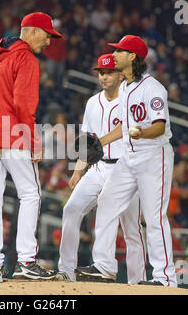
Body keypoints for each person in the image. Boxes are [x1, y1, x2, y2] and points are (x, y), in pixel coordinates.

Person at [76, 35, 177, 287]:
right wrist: (101, 142)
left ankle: (165, 278)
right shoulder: (124, 87)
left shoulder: (153, 88)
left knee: (154, 218)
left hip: (154, 155)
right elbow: (123, 126)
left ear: (132, 57)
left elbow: (159, 126)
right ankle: (104, 266)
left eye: (120, 51)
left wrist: (141, 132)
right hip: (129, 157)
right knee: (107, 202)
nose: (115, 54)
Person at [0, 12, 62, 283]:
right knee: (30, 194)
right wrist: (32, 140)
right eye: (46, 35)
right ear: (31, 31)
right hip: (13, 138)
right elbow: (24, 104)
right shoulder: (26, 58)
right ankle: (25, 261)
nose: (48, 42)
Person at [57, 54, 146, 283]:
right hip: (99, 168)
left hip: (126, 169)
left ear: (119, 74)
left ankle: (138, 283)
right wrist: (78, 170)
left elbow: (130, 129)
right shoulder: (92, 102)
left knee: (131, 230)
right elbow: (88, 141)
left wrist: (100, 143)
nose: (103, 76)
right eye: (100, 73)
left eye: (108, 72)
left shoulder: (130, 99)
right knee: (71, 209)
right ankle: (66, 271)